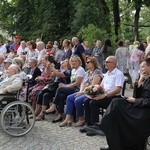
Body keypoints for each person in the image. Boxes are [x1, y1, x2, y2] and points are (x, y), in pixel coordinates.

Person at [85, 58, 150, 150]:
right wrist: (140, 81)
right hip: (139, 107)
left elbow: (143, 100)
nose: (141, 69)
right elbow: (137, 96)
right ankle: (112, 144)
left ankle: (103, 127)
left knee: (116, 104)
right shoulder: (146, 79)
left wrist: (135, 101)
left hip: (144, 112)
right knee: (116, 107)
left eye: (143, 67)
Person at [80, 56, 124, 136]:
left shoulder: (118, 74)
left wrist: (104, 95)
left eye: (107, 62)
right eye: (105, 61)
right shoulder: (107, 73)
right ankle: (88, 124)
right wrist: (95, 91)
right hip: (104, 94)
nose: (105, 63)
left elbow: (118, 89)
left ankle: (95, 127)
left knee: (94, 103)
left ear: (113, 64)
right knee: (86, 101)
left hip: (114, 97)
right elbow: (102, 86)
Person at [59, 57, 103, 127]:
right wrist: (80, 91)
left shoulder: (97, 72)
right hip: (84, 91)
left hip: (92, 92)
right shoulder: (87, 72)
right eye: (86, 62)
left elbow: (93, 85)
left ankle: (81, 119)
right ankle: (68, 118)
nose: (86, 64)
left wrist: (82, 92)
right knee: (69, 98)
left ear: (93, 63)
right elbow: (83, 83)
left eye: (88, 62)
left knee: (77, 100)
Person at [43, 55, 85, 123]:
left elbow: (77, 83)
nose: (74, 62)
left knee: (60, 89)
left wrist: (65, 86)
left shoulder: (80, 69)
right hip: (72, 87)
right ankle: (60, 115)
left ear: (79, 62)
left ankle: (53, 107)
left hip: (78, 89)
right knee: (61, 95)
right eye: (72, 61)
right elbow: (50, 74)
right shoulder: (74, 70)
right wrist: (48, 67)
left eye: (75, 61)